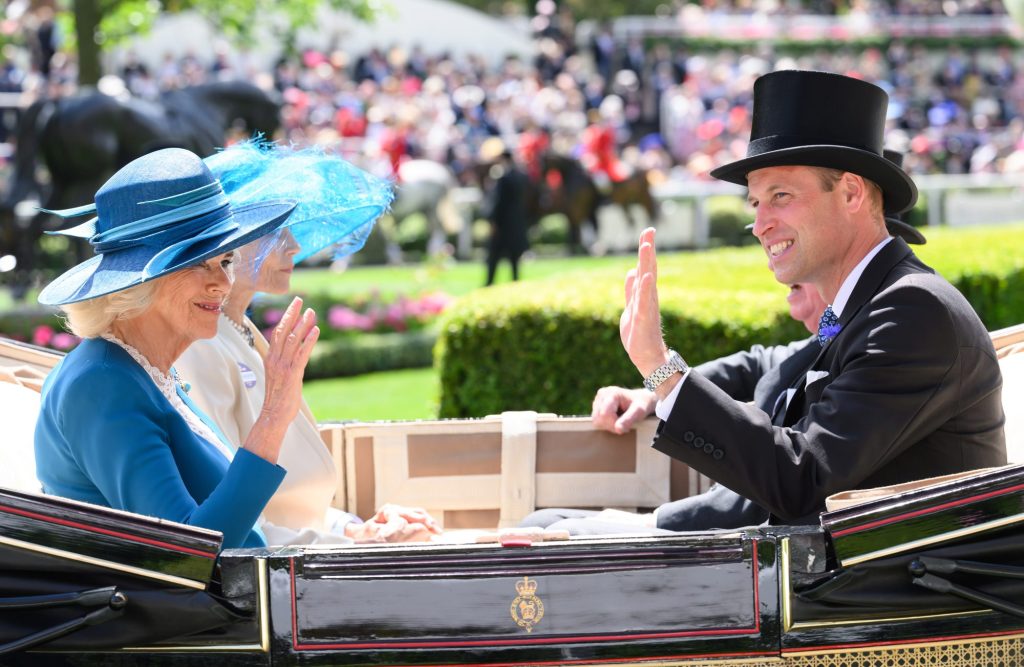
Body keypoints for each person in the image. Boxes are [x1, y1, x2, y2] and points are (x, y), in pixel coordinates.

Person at [621, 70, 1005, 525]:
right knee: (545, 527)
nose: (761, 224)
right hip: (828, 578)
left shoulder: (910, 312)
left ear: (850, 192)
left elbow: (802, 478)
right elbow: (787, 361)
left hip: (881, 590)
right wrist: (654, 387)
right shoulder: (857, 305)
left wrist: (662, 371)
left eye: (780, 196)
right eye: (756, 203)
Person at [34, 148, 314, 549]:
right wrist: (272, 419)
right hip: (170, 611)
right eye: (200, 263)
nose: (223, 283)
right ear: (138, 282)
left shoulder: (144, 369)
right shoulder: (102, 383)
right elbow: (188, 550)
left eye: (226, 260)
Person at [175, 142, 439, 544]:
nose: (294, 246)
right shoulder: (200, 346)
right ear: (224, 245)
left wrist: (353, 527)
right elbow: (231, 517)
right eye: (273, 232)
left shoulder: (238, 331)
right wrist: (352, 543)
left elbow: (291, 501)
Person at [483, 148, 530, 286]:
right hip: (517, 224)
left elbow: (497, 202)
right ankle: (515, 283)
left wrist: (492, 221)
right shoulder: (521, 176)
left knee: (493, 258)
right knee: (514, 259)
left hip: (502, 225)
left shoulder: (502, 177)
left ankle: (489, 284)